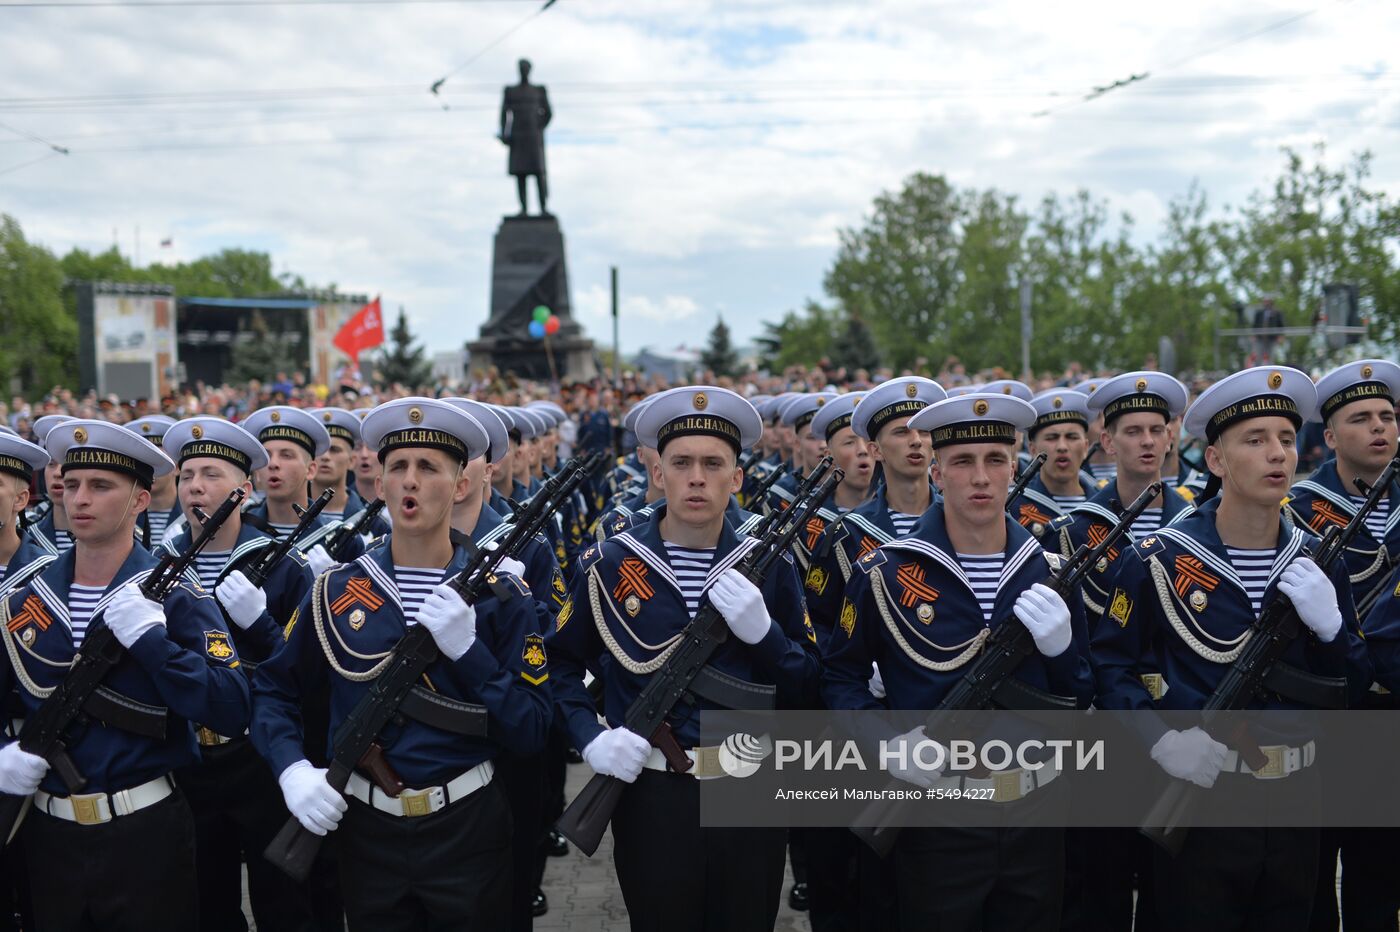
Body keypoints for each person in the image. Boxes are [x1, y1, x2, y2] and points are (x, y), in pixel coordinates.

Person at [251, 397, 552, 931]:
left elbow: (531, 730)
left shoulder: (501, 597)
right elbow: (273, 690)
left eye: (428, 467)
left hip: (469, 829)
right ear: (381, 483)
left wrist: (471, 654)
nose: (410, 481)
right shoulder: (335, 590)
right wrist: (292, 769)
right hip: (367, 833)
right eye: (398, 468)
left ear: (462, 485)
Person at [1093, 366, 1371, 931]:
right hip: (1200, 794)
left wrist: (1332, 630)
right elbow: (1112, 667)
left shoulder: (1319, 560)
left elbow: (1358, 682)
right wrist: (1160, 741)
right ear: (1216, 460)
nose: (1278, 455)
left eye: (1287, 440)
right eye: (1256, 440)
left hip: (1297, 799)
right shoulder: (1156, 560)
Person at [547, 386, 820, 932]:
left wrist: (764, 634)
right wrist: (592, 737)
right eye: (682, 463)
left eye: (714, 463)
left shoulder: (769, 562)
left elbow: (812, 683)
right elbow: (556, 668)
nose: (697, 477)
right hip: (653, 793)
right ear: (658, 473)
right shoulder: (609, 563)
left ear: (737, 479)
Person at [822, 392, 1092, 930]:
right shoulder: (886, 572)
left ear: (1014, 472)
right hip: (935, 812)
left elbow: (1083, 693)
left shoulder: (1052, 569)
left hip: (1035, 811)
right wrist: (887, 742)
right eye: (963, 463)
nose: (981, 478)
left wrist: (1063, 652)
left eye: (995, 461)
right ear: (938, 473)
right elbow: (840, 677)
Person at [0, 419, 249, 928]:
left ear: (139, 500)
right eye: (71, 485)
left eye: (100, 486)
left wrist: (155, 647)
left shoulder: (175, 595)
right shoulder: (24, 599)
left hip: (145, 836)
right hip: (50, 838)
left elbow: (230, 705)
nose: (79, 499)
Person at [160, 416, 320, 932]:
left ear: (244, 491)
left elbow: (309, 676)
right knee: (206, 903)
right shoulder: (156, 568)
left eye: (211, 473)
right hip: (186, 757)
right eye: (186, 475)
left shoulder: (283, 566)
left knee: (284, 902)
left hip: (261, 756)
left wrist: (265, 625)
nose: (195, 487)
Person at [1281, 359, 1400, 932]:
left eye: (1387, 416)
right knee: (1310, 882)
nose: (1379, 428)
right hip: (1326, 717)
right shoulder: (1295, 509)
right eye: (1361, 419)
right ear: (1329, 437)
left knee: (1381, 877)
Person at [1047, 372, 1194, 630]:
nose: (1147, 441)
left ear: (1169, 439)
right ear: (1108, 442)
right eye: (1133, 431)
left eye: (1156, 430)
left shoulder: (1195, 526)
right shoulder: (1072, 532)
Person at [1008, 390, 1098, 541]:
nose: (1062, 446)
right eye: (1052, 438)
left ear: (1085, 447)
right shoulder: (1012, 507)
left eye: (1072, 437)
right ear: (1033, 449)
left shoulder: (1103, 504)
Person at [124, 415, 180, 549]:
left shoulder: (192, 515)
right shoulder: (122, 516)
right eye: (142, 463)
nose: (148, 471)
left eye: (158, 462)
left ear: (177, 467)